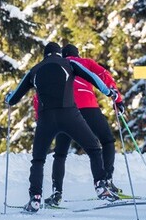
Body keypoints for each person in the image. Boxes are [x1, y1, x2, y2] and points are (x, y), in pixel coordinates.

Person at [5, 41, 120, 213]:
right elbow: (92, 77)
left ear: (45, 55)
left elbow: (14, 98)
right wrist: (109, 92)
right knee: (94, 148)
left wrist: (8, 98)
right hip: (69, 115)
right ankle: (100, 185)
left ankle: (35, 198)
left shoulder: (35, 69)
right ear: (60, 54)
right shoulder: (70, 63)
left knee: (38, 159)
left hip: (46, 119)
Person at [45, 44, 124, 207]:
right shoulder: (85, 62)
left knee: (60, 154)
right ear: (77, 54)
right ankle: (106, 182)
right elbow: (103, 74)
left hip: (64, 110)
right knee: (107, 141)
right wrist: (117, 99)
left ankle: (56, 193)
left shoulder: (57, 66)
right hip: (88, 106)